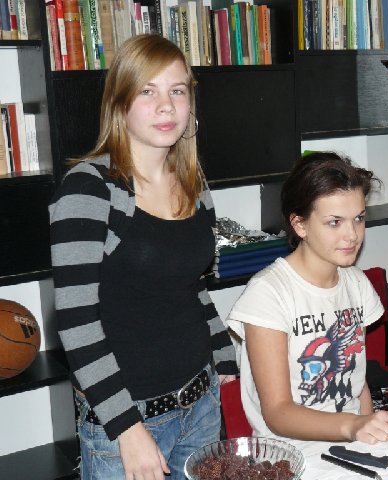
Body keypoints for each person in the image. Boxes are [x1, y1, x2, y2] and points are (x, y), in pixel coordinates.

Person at [49, 34, 238, 479]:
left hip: (201, 402)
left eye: (177, 90)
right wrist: (128, 429)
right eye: (147, 91)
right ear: (120, 103)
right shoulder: (89, 188)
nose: (166, 106)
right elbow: (76, 323)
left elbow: (193, 287)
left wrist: (225, 359)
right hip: (126, 422)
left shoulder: (194, 184)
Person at [226, 152, 388, 444]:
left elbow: (357, 382)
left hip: (349, 440)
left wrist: (370, 435)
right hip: (290, 454)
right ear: (300, 225)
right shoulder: (267, 293)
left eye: (359, 219)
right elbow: (278, 413)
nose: (352, 235)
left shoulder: (356, 284)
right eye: (335, 222)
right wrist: (353, 426)